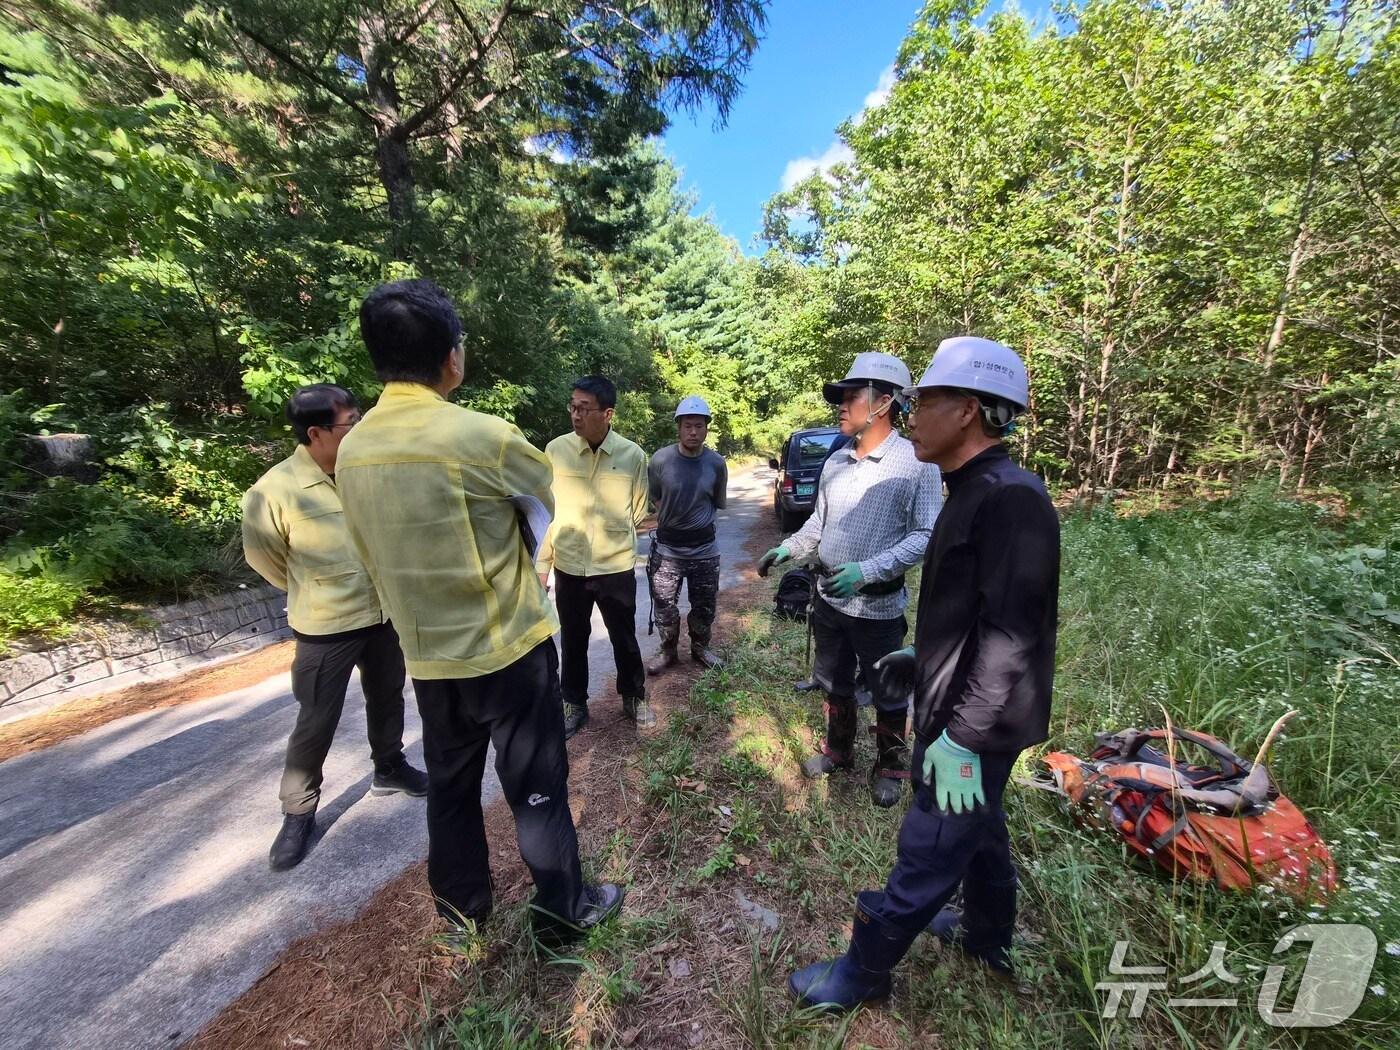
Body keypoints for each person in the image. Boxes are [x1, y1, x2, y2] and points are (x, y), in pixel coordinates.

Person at [335, 279, 622, 941]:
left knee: (451, 785)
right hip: (508, 648)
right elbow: (538, 489)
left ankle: (462, 912)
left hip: (430, 657)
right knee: (537, 786)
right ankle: (562, 912)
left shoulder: (351, 451)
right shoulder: (482, 436)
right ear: (451, 358)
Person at [788, 336, 1060, 1010]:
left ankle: (862, 972)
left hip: (976, 722)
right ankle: (987, 933)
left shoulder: (1011, 499)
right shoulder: (967, 488)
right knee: (981, 826)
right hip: (961, 700)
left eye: (926, 400)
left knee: (929, 844)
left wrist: (964, 738)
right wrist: (924, 654)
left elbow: (1014, 638)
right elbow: (974, 611)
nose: (913, 412)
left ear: (967, 410)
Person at [241, 384, 429, 872]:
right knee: (316, 717)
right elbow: (267, 559)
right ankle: (298, 811)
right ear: (316, 432)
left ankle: (389, 765)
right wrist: (315, 587)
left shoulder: (363, 474)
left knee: (388, 695)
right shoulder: (274, 491)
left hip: (382, 614)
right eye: (351, 423)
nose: (359, 428)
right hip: (326, 626)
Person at [757, 353, 942, 807]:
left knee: (888, 692)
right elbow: (819, 523)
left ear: (884, 403)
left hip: (878, 608)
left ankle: (891, 766)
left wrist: (868, 571)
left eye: (851, 396)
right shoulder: (837, 461)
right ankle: (838, 752)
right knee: (834, 681)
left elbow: (926, 535)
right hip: (827, 602)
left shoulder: (916, 464)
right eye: (840, 397)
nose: (840, 405)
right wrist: (788, 549)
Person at [535, 376, 651, 736]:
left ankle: (634, 696)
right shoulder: (555, 451)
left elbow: (639, 510)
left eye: (584, 409)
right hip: (569, 566)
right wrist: (543, 566)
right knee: (573, 639)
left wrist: (611, 537)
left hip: (614, 567)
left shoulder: (632, 455)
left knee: (624, 637)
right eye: (572, 406)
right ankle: (574, 703)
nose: (575, 415)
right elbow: (546, 513)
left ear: (608, 413)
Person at [646, 396, 728, 674]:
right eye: (687, 426)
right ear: (678, 428)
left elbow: (717, 501)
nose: (693, 432)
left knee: (704, 605)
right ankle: (668, 650)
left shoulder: (716, 463)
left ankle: (700, 648)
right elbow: (656, 497)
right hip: (668, 550)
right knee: (665, 606)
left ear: (706, 429)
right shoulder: (660, 460)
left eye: (699, 426)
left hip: (705, 549)